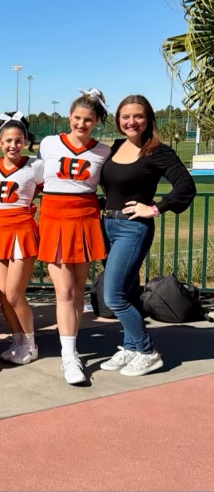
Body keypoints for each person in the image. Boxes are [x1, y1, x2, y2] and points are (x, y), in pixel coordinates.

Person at [99, 95, 196, 376]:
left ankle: (147, 351)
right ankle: (130, 347)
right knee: (127, 291)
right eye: (126, 116)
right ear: (118, 120)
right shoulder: (115, 147)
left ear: (148, 119)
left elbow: (185, 186)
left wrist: (154, 208)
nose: (132, 121)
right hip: (106, 226)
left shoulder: (158, 151)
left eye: (138, 116)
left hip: (132, 228)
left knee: (113, 296)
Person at [37, 89, 111, 384]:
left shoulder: (103, 151)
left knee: (78, 290)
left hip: (85, 219)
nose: (81, 124)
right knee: (64, 291)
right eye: (77, 118)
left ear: (96, 121)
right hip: (54, 219)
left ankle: (72, 344)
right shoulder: (49, 143)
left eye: (88, 120)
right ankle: (69, 357)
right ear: (69, 117)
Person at [0, 112, 44, 365]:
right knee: (2, 293)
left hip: (22, 232)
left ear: (25, 141)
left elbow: (49, 190)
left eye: (18, 140)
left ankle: (30, 344)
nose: (13, 145)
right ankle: (18, 340)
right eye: (8, 140)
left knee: (14, 294)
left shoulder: (36, 166)